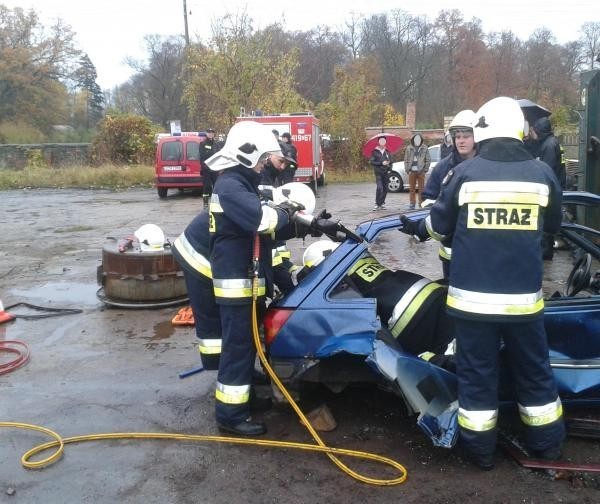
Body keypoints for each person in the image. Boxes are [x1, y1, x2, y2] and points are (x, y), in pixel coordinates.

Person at [400, 96, 565, 470]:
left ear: (483, 129)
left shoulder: (465, 174)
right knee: (535, 371)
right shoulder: (542, 174)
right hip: (523, 304)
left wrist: (416, 226)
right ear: (520, 130)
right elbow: (553, 227)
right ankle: (548, 445)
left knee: (478, 377)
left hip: (472, 306)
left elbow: (437, 225)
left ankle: (479, 453)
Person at [205, 120, 305, 436]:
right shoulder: (230, 185)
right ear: (246, 153)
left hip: (245, 283)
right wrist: (287, 212)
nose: (264, 163)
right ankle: (231, 416)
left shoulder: (241, 184)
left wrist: (305, 224)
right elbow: (262, 219)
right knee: (238, 348)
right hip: (235, 284)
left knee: (247, 345)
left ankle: (242, 399)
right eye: (261, 157)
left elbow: (270, 227)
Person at [301, 240, 455, 370]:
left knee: (430, 362)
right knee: (457, 340)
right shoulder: (356, 255)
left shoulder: (334, 277)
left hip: (408, 317)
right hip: (429, 290)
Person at [421, 109, 478, 279]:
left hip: (479, 249)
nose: (461, 141)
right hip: (450, 250)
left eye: (466, 136)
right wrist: (442, 213)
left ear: (477, 137)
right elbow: (427, 199)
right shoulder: (443, 167)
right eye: (457, 137)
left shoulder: (486, 167)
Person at [172, 211, 222, 370]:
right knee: (209, 314)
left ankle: (224, 364)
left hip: (203, 248)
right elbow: (276, 267)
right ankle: (216, 364)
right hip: (197, 257)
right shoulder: (264, 216)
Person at [530, 116, 565, 260]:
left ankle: (546, 252)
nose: (531, 133)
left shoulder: (549, 145)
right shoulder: (550, 142)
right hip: (557, 184)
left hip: (552, 188)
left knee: (546, 219)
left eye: (533, 130)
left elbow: (547, 170)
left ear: (539, 130)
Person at [403, 133, 431, 209]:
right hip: (412, 171)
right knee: (412, 189)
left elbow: (428, 160)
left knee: (421, 189)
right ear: (413, 139)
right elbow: (406, 159)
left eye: (419, 139)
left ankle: (421, 203)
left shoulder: (424, 148)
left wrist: (425, 170)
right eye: (416, 139)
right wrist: (407, 169)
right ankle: (412, 204)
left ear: (421, 140)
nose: (417, 140)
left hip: (421, 171)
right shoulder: (409, 148)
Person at [200, 128, 222, 209]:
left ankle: (216, 203)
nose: (210, 134)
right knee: (207, 186)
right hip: (206, 169)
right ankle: (205, 203)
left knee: (216, 186)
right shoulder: (203, 143)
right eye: (209, 133)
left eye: (212, 133)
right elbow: (203, 156)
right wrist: (204, 167)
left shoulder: (216, 144)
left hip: (215, 169)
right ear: (206, 134)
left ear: (214, 134)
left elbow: (219, 155)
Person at [369, 136, 392, 211]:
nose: (382, 142)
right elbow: (372, 162)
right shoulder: (375, 151)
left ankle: (381, 203)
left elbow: (391, 161)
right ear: (378, 142)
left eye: (384, 141)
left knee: (385, 189)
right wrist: (381, 163)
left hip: (386, 173)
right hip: (378, 172)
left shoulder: (387, 152)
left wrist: (389, 168)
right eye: (381, 141)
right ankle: (377, 203)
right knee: (379, 188)